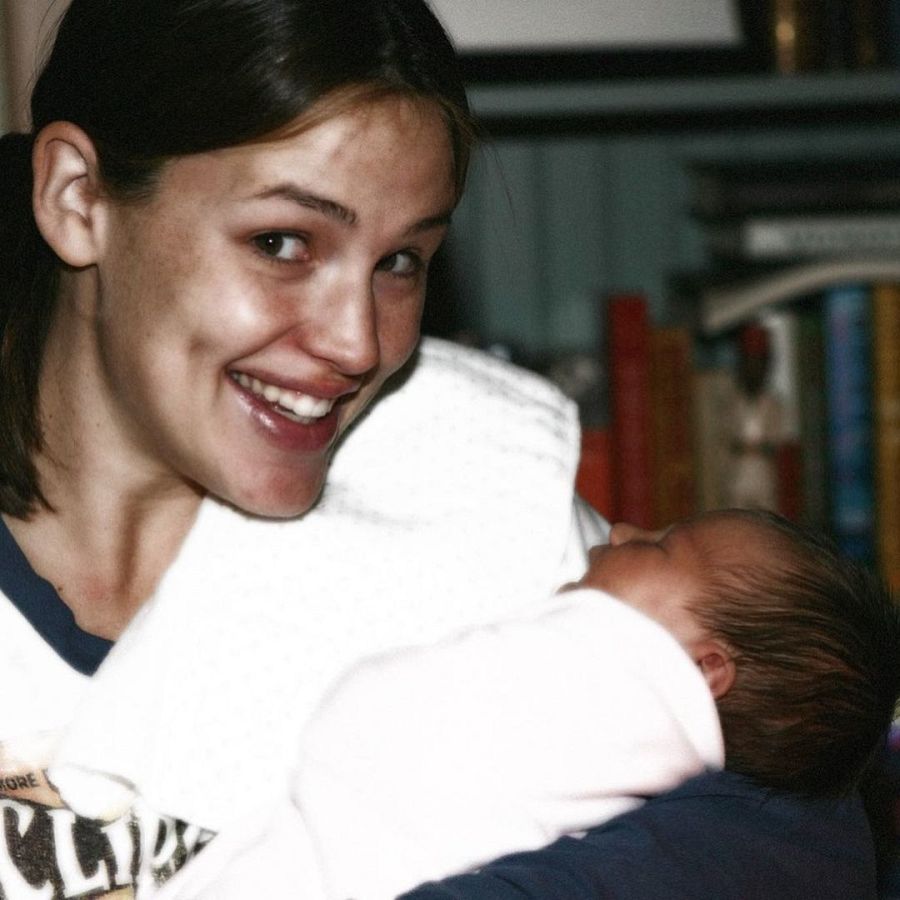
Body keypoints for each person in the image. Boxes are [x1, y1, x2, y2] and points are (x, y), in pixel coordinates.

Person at [0, 1, 884, 898]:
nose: (358, 344)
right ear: (80, 198)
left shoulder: (471, 496)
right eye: (282, 243)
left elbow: (801, 830)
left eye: (401, 262)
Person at [165, 507, 900, 899]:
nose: (621, 531)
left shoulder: (625, 686)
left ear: (704, 669)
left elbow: (394, 739)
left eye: (660, 547)